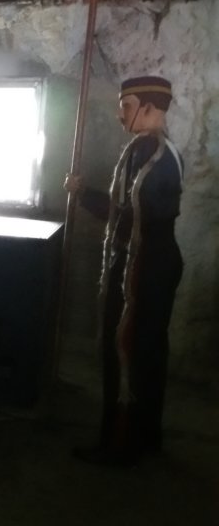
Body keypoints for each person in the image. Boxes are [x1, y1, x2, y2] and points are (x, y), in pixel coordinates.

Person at [66, 75, 184, 466]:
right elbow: (124, 214)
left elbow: (137, 218)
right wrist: (84, 194)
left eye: (126, 106)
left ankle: (123, 445)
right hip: (141, 260)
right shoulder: (145, 150)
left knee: (131, 349)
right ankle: (136, 439)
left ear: (149, 108)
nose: (120, 115)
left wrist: (89, 198)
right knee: (136, 350)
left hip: (147, 266)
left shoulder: (159, 157)